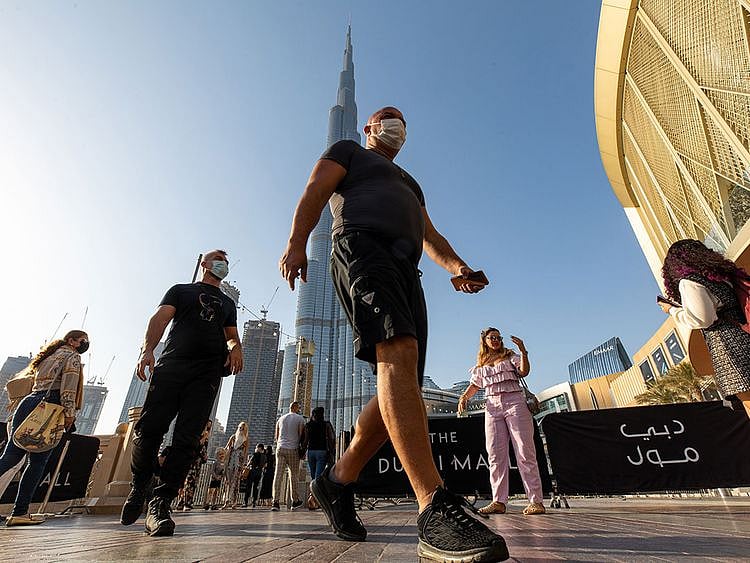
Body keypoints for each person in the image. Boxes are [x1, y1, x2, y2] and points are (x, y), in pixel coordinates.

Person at [279, 106, 508, 561]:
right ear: (369, 128)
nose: (397, 124)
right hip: (361, 248)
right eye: (388, 117)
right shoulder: (348, 152)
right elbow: (314, 190)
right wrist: (296, 242)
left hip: (407, 269)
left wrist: (456, 266)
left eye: (403, 120)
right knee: (397, 353)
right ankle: (433, 507)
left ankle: (337, 481)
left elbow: (429, 233)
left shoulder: (410, 181)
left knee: (401, 384)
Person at [120, 249, 243, 537]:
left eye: (225, 261)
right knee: (149, 429)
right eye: (218, 258)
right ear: (205, 263)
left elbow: (231, 336)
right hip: (173, 365)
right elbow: (160, 319)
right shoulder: (181, 290)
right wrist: (147, 351)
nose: (222, 263)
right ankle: (140, 486)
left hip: (207, 374)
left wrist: (237, 347)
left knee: (187, 439)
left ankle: (161, 503)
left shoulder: (227, 303)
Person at [0, 330, 88, 527]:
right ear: (71, 341)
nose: (85, 343)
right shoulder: (72, 356)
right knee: (38, 461)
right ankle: (19, 512)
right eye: (83, 340)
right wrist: (69, 414)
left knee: (10, 455)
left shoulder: (47, 356)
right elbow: (68, 387)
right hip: (49, 406)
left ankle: (19, 512)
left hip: (28, 402)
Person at [458, 328, 545, 516]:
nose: (496, 340)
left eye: (498, 337)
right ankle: (499, 501)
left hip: (515, 402)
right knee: (495, 455)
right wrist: (464, 397)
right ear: (485, 340)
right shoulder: (481, 363)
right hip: (492, 406)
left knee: (524, 451)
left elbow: (524, 371)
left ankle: (536, 501)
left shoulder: (509, 355)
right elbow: (475, 385)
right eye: (492, 337)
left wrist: (523, 350)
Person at [659, 239, 750, 418]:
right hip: (744, 335)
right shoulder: (721, 277)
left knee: (747, 399)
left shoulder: (689, 282)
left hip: (727, 346)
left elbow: (702, 318)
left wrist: (672, 310)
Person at [271, 401, 305, 511]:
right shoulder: (300, 419)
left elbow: (276, 436)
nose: (299, 409)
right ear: (296, 408)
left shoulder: (281, 419)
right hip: (293, 449)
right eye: (299, 407)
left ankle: (275, 502)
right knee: (293, 475)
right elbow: (301, 435)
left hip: (280, 448)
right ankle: (295, 501)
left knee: (278, 474)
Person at [301, 406, 335, 509]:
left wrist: (302, 451)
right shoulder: (326, 424)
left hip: (310, 452)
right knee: (317, 477)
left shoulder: (308, 425)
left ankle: (315, 500)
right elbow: (331, 438)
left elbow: (305, 440)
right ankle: (313, 499)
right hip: (322, 452)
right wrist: (332, 452)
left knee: (313, 476)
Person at [178, 419, 211, 511]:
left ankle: (185, 502)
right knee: (188, 481)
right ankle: (184, 503)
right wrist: (204, 437)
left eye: (209, 427)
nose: (208, 428)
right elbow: (197, 445)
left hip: (198, 462)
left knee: (193, 483)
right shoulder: (198, 434)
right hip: (191, 460)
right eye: (207, 426)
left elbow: (203, 448)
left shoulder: (206, 437)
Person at [223, 421, 249, 509]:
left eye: (243, 428)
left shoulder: (246, 439)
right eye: (240, 427)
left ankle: (233, 502)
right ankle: (226, 501)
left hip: (239, 463)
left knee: (236, 482)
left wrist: (244, 465)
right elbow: (226, 448)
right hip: (231, 462)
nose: (241, 429)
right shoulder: (233, 437)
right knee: (228, 481)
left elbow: (245, 453)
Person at [243, 443, 266, 508]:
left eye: (256, 447)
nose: (255, 448)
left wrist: (246, 466)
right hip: (259, 473)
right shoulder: (264, 456)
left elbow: (250, 462)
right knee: (256, 487)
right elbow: (264, 465)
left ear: (260, 448)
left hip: (252, 472)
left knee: (248, 487)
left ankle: (245, 502)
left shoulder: (255, 454)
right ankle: (254, 502)